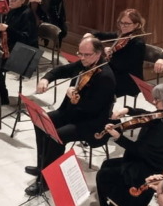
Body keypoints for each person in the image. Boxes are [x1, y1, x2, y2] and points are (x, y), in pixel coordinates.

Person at [29, 36, 117, 195]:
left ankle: (46, 181)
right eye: (80, 54)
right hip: (72, 113)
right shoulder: (85, 64)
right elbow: (62, 70)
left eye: (86, 54)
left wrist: (75, 97)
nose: (82, 58)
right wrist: (46, 79)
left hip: (91, 122)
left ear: (98, 54)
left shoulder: (105, 76)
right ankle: (42, 166)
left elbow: (93, 108)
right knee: (41, 121)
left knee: (58, 135)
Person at [96, 81, 163, 206]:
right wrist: (129, 110)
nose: (154, 102)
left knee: (103, 174)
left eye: (157, 99)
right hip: (146, 160)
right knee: (107, 164)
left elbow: (139, 150)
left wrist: (118, 137)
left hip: (147, 169)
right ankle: (113, 203)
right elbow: (149, 116)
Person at [92, 9, 147, 99]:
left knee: (99, 84)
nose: (123, 26)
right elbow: (101, 35)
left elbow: (122, 65)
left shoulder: (137, 43)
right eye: (121, 23)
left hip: (129, 80)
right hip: (116, 73)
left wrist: (110, 53)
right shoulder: (121, 35)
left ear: (136, 25)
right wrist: (90, 34)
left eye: (127, 23)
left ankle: (104, 110)